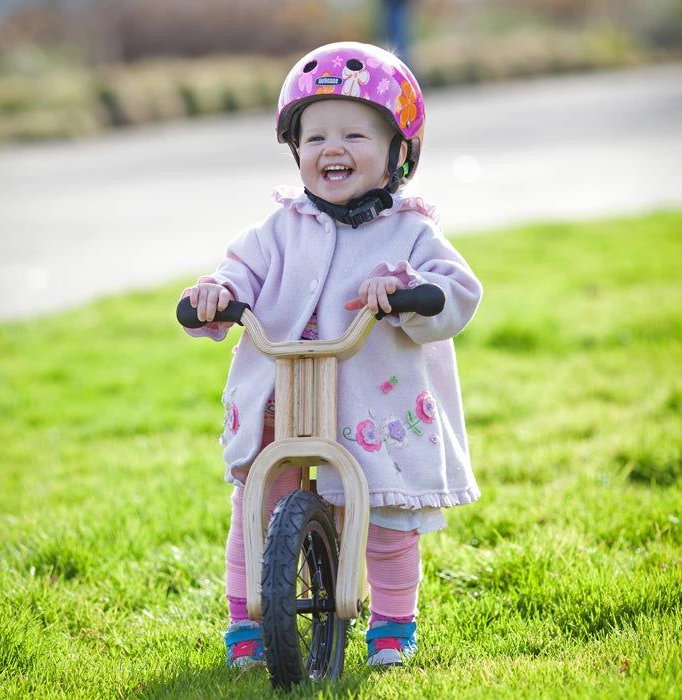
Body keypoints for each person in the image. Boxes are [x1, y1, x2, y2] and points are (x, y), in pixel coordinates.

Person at [181, 42, 482, 669]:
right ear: (296, 151)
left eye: (354, 134)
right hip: (284, 398)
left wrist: (410, 294)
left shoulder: (412, 231)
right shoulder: (277, 230)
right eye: (315, 137)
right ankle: (245, 623)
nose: (332, 149)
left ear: (399, 152)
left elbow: (458, 291)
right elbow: (237, 274)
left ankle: (394, 625)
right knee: (258, 507)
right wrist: (218, 294)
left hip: (374, 401)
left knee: (388, 512)